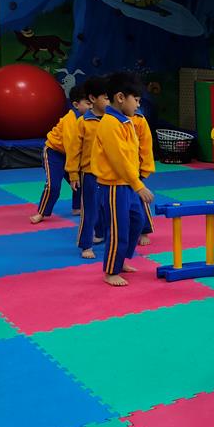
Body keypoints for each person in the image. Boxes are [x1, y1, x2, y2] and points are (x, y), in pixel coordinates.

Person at [91, 72, 154, 286]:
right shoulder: (110, 124)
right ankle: (111, 271)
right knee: (118, 229)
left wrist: (138, 177)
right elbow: (119, 160)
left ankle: (121, 259)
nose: (138, 105)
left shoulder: (126, 122)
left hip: (127, 184)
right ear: (120, 98)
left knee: (137, 221)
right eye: (135, 100)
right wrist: (139, 186)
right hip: (113, 186)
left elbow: (132, 154)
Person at [30, 85, 90, 224]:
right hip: (54, 152)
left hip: (72, 155)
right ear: (76, 105)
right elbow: (71, 147)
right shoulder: (71, 120)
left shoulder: (89, 119)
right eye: (88, 103)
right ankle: (42, 212)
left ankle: (77, 207)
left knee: (81, 182)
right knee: (54, 186)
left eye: (93, 103)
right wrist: (74, 170)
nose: (91, 106)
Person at [69, 77, 110, 258]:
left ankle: (101, 234)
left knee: (107, 207)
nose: (109, 102)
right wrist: (73, 174)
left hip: (110, 173)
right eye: (106, 98)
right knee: (90, 210)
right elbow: (74, 151)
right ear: (93, 99)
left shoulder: (112, 120)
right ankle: (86, 244)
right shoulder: (83, 122)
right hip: (90, 173)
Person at [133, 106, 155, 246]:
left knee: (140, 200)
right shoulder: (109, 120)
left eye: (138, 101)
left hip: (135, 169)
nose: (137, 105)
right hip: (114, 171)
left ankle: (144, 230)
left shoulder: (139, 119)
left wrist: (145, 168)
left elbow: (146, 146)